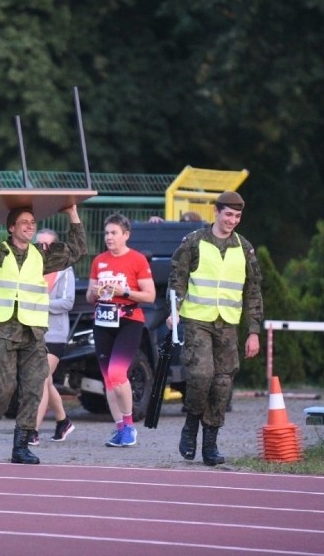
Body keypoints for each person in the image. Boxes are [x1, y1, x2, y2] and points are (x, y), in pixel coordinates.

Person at [0, 199, 86, 464]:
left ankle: (22, 446)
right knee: (4, 390)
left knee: (33, 388)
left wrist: (73, 213)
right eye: (24, 223)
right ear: (11, 227)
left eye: (32, 223)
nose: (30, 227)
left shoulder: (42, 254)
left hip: (33, 331)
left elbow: (77, 249)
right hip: (2, 329)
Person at [166, 190, 263, 466]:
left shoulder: (244, 248)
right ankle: (191, 423)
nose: (232, 220)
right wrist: (174, 311)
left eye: (237, 216)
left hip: (228, 324)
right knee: (201, 375)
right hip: (198, 320)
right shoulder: (193, 242)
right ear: (216, 212)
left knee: (222, 384)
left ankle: (210, 444)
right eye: (228, 214)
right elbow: (177, 281)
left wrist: (253, 332)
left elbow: (253, 291)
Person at [86, 213, 156, 447]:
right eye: (106, 233)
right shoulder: (99, 261)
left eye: (114, 233)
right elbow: (89, 296)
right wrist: (96, 291)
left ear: (126, 235)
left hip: (129, 320)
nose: (109, 237)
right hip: (103, 321)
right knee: (108, 380)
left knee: (117, 374)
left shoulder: (137, 260)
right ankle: (119, 429)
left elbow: (150, 295)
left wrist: (123, 292)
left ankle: (129, 426)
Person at [31, 228, 76, 446]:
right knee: (46, 381)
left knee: (41, 379)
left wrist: (41, 304)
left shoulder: (64, 270)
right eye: (39, 244)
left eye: (47, 244)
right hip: (34, 332)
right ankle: (63, 421)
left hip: (55, 334)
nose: (43, 248)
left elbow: (67, 302)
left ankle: (32, 430)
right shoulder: (30, 268)